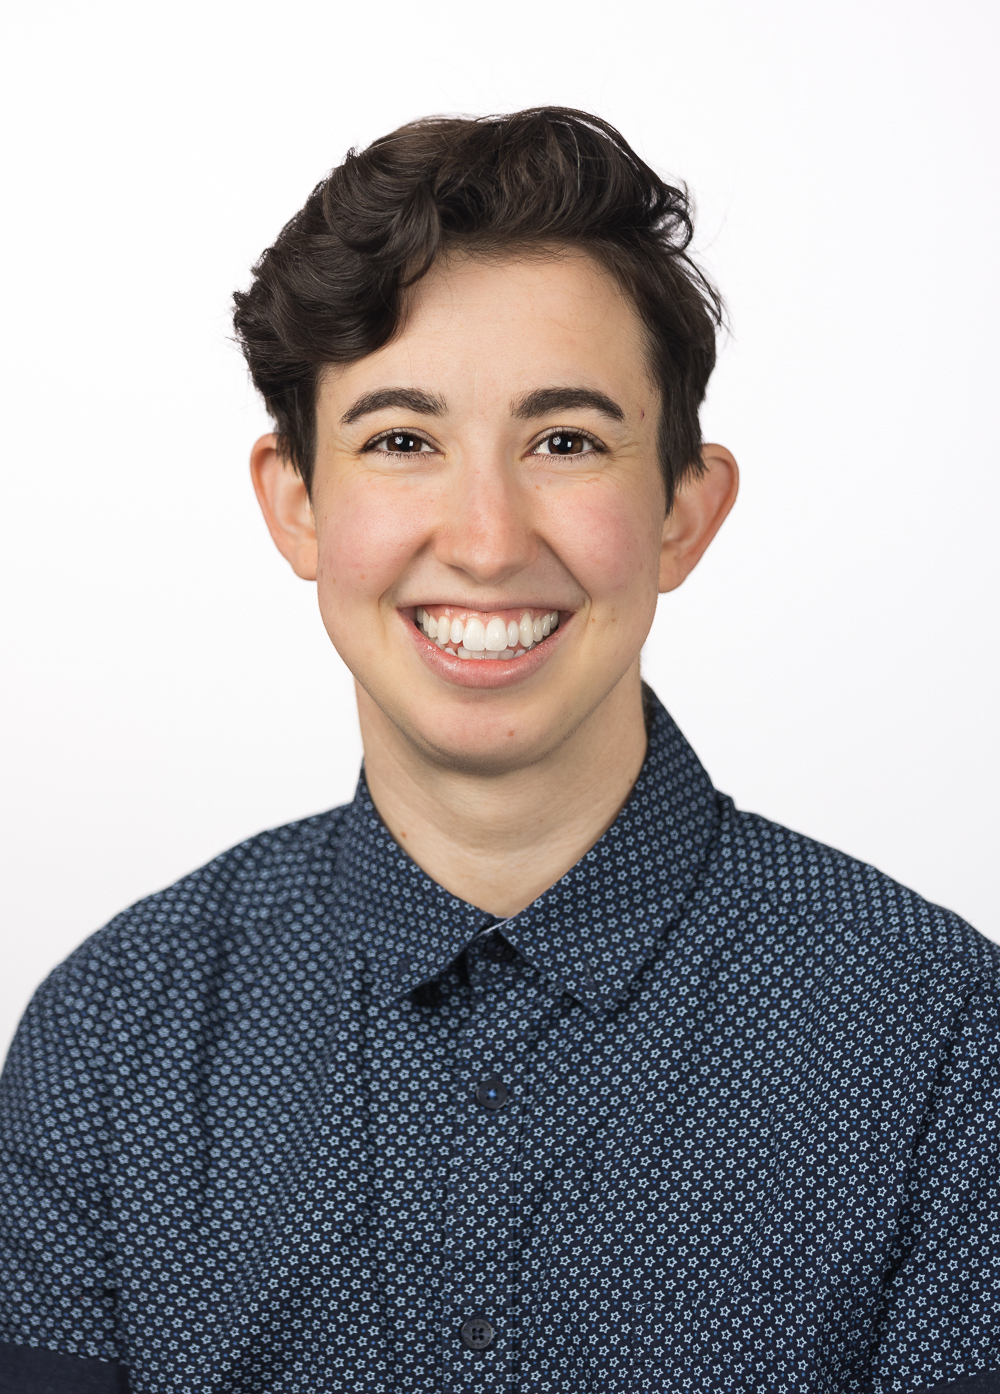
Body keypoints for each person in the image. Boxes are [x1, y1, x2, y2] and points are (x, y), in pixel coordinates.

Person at [1, 107, 997, 1394]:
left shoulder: (939, 1043)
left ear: (684, 512)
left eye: (566, 441)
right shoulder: (108, 1039)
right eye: (401, 440)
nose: (483, 538)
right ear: (295, 501)